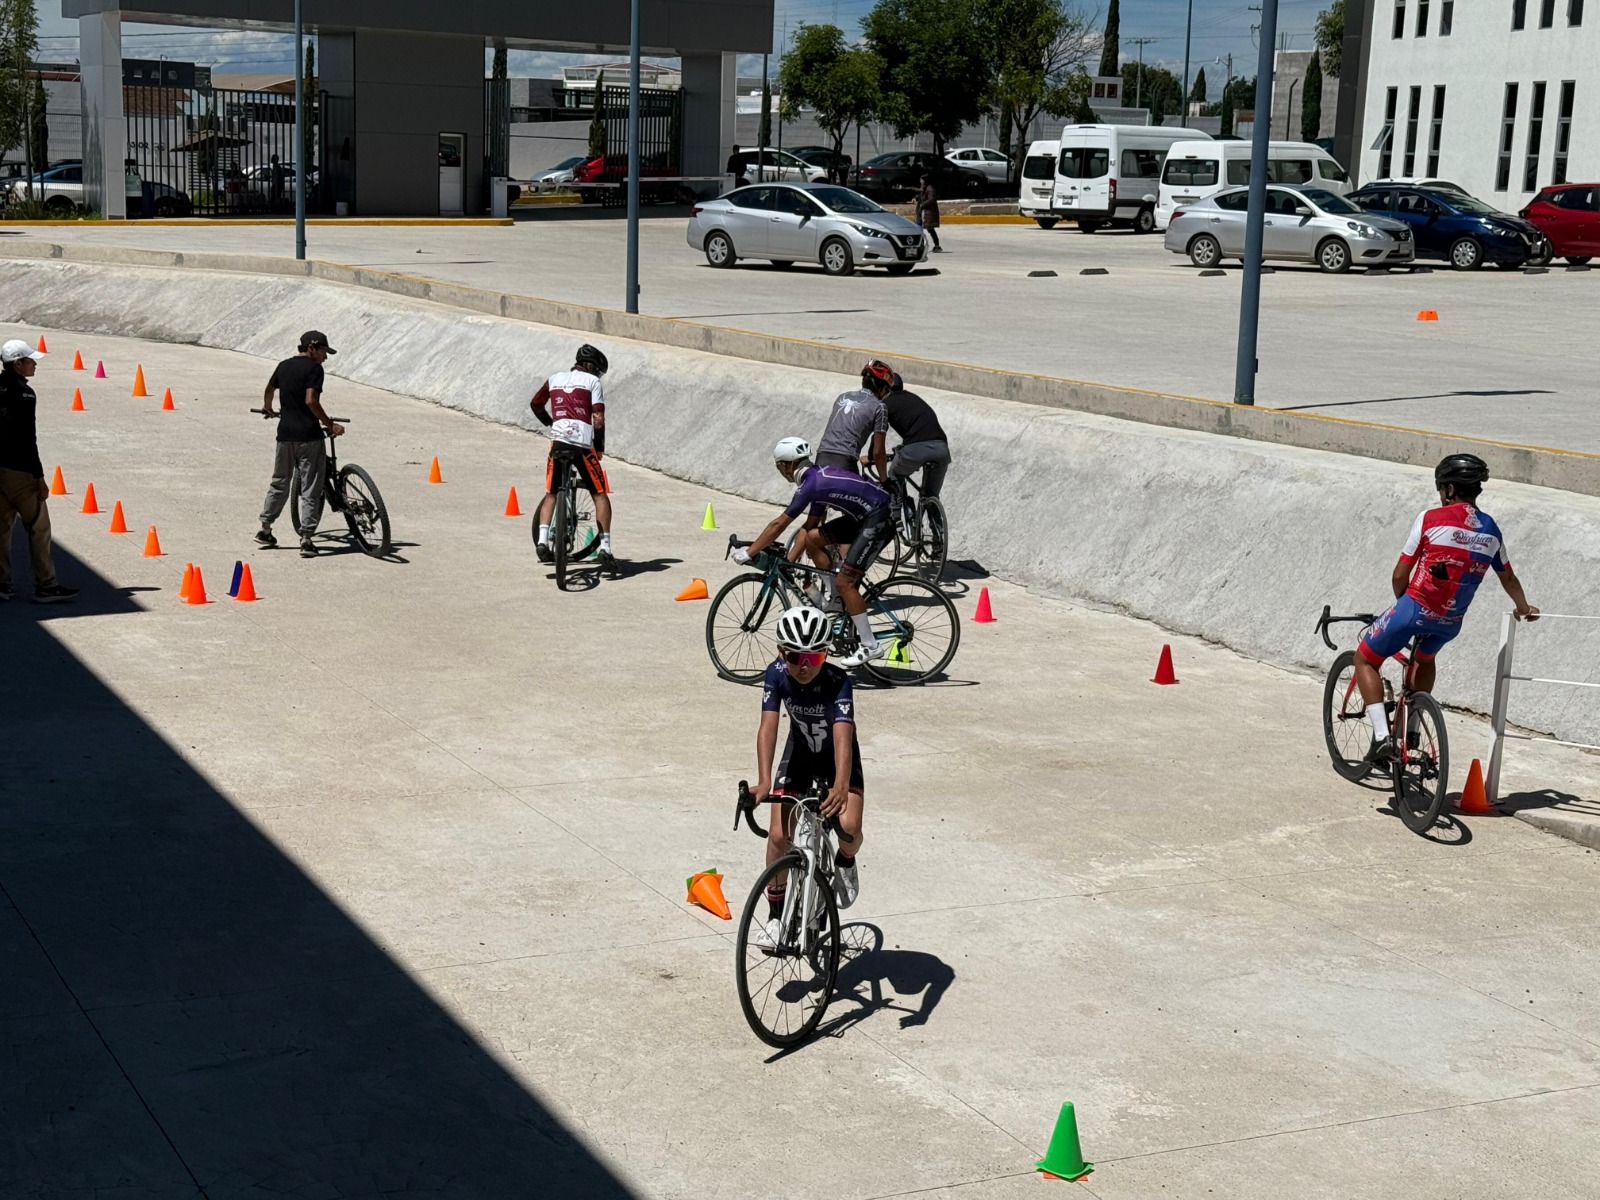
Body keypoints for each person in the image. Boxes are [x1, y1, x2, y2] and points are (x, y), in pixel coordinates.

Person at [1355, 453, 1538, 763]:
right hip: (1450, 622)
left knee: (1365, 659)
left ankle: (1383, 738)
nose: (1440, 495)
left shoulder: (1429, 518)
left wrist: (1403, 605)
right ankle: (1412, 730)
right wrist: (1524, 607)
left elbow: (1400, 575)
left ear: (1449, 489)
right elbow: (1509, 579)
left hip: (1414, 608)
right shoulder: (1491, 529)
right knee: (1425, 660)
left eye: (1441, 488)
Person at [752, 605, 865, 942]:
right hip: (800, 753)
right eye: (794, 658)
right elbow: (768, 727)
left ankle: (845, 861)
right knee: (778, 837)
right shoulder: (774, 674)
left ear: (825, 655)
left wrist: (842, 784)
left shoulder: (838, 680)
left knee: (849, 828)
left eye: (813, 660)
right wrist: (762, 780)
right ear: (780, 652)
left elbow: (844, 733)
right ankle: (776, 915)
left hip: (837, 759)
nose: (803, 667)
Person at [734, 437, 894, 666]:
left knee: (846, 582)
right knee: (813, 538)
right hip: (866, 516)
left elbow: (779, 524)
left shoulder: (811, 485)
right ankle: (834, 600)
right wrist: (788, 561)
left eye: (779, 466)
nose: (781, 471)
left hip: (878, 518)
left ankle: (870, 645)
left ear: (787, 465)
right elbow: (809, 527)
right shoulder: (816, 478)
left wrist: (749, 553)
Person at [0, 339, 77, 603]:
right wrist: (39, 477)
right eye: (31, 360)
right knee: (39, 528)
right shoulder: (25, 394)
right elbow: (26, 439)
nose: (35, 364)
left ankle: (2, 584)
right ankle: (46, 585)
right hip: (20, 471)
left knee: (1, 528)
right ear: (18, 364)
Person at [256, 331, 343, 558]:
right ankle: (306, 538)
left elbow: (269, 390)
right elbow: (311, 400)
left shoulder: (283, 366)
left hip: (284, 436)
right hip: (308, 437)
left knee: (279, 482)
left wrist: (268, 408)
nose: (325, 357)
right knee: (311, 488)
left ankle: (265, 529)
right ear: (312, 347)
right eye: (324, 351)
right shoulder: (314, 369)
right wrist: (329, 423)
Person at [532, 343, 614, 567]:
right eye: (597, 370)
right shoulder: (593, 382)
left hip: (557, 442)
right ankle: (605, 548)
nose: (598, 375)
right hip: (582, 444)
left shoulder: (554, 378)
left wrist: (551, 422)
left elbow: (536, 404)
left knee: (551, 493)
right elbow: (597, 418)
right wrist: (599, 446)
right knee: (599, 493)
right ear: (589, 366)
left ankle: (542, 542)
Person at [875, 372, 952, 501]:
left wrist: (871, 457)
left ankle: (896, 516)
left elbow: (879, 435)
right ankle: (936, 518)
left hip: (917, 449)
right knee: (930, 496)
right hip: (942, 449)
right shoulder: (912, 397)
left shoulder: (885, 405)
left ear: (885, 388)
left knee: (895, 474)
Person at [815, 360, 892, 477]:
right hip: (845, 461)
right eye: (887, 391)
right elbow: (878, 452)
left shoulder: (842, 396)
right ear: (882, 389)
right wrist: (884, 479)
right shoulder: (880, 407)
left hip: (821, 457)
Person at [915, 174, 942, 252]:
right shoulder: (924, 188)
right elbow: (920, 196)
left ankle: (937, 245)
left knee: (929, 228)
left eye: (921, 180)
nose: (920, 181)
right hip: (923, 211)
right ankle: (919, 245)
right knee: (920, 228)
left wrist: (923, 205)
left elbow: (931, 199)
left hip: (929, 212)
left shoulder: (930, 189)